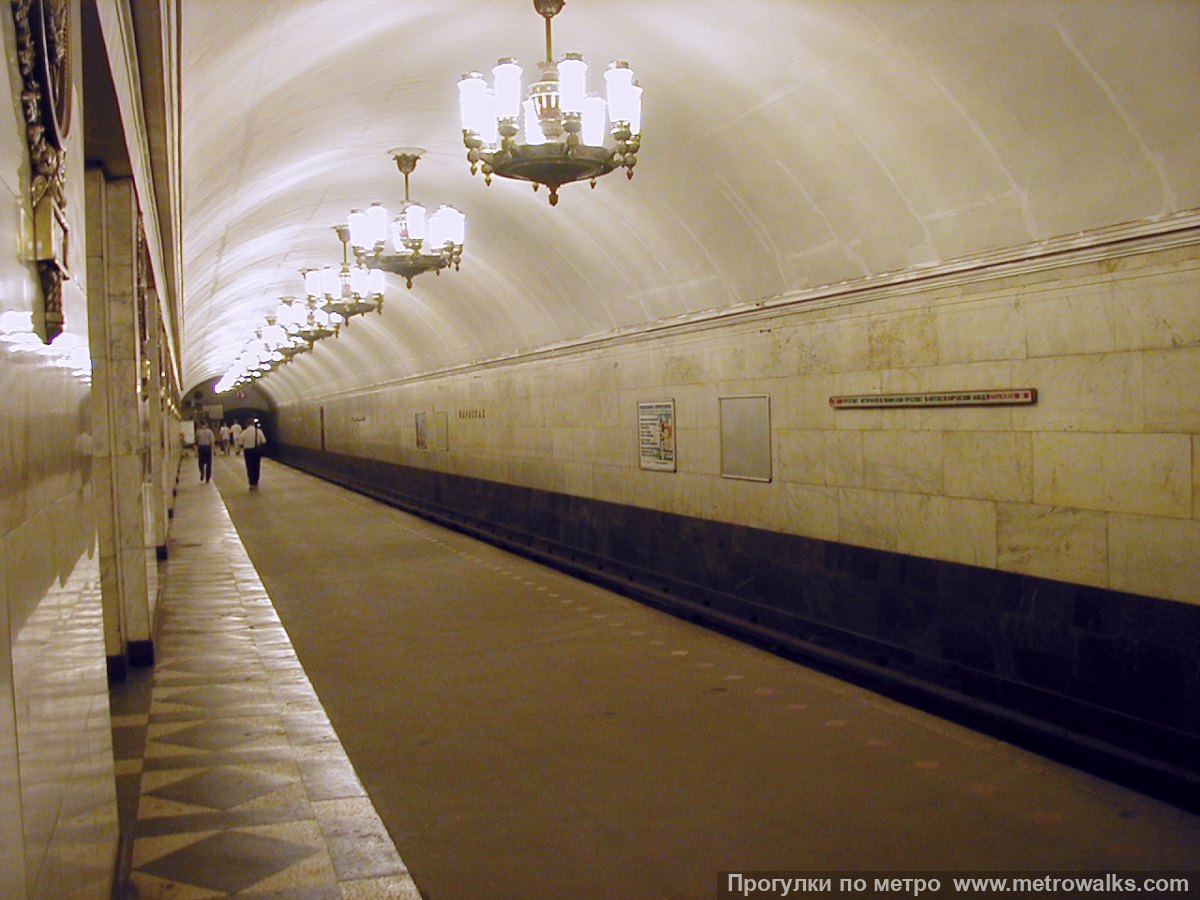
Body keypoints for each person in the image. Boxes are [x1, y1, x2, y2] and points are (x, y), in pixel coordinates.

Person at [239, 418, 267, 489]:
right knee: (256, 466)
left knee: (249, 467)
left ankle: (251, 483)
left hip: (248, 451)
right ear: (253, 424)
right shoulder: (258, 431)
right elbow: (263, 441)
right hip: (256, 451)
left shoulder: (244, 432)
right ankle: (256, 482)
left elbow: (240, 443)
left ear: (247, 424)